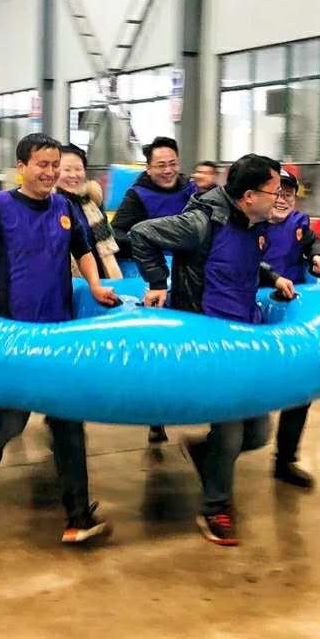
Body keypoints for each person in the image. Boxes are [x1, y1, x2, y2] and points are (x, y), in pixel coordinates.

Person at [0, 133, 121, 545]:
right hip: (17, 336)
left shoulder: (65, 207)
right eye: (42, 164)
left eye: (55, 165)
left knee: (68, 422)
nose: (50, 172)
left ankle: (78, 517)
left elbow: (82, 248)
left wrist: (95, 285)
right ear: (21, 167)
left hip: (58, 333)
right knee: (12, 420)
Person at [130, 153, 296, 547]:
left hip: (244, 337)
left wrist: (273, 277)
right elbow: (141, 234)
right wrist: (157, 282)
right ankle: (214, 508)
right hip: (208, 341)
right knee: (232, 427)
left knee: (258, 432)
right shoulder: (202, 222)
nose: (280, 198)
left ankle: (204, 452)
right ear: (249, 195)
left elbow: (239, 264)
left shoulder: (254, 224)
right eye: (274, 191)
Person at [110, 136, 197, 445]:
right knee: (159, 345)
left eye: (172, 164)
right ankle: (156, 415)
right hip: (151, 273)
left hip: (187, 271)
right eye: (161, 165)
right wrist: (152, 240)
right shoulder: (138, 195)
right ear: (148, 167)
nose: (168, 170)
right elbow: (117, 233)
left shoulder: (190, 190)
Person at [261, 168, 320, 490]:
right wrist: (272, 279)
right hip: (254, 308)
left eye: (288, 194)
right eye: (277, 193)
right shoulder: (251, 224)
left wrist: (316, 256)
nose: (283, 199)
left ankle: (285, 459)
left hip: (290, 312)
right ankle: (219, 449)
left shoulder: (299, 224)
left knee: (301, 390)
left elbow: (313, 242)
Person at [56, 143, 121, 279]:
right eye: (66, 170)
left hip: (100, 281)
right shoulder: (46, 206)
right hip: (65, 282)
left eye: (78, 169)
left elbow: (108, 244)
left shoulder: (91, 201)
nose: (73, 175)